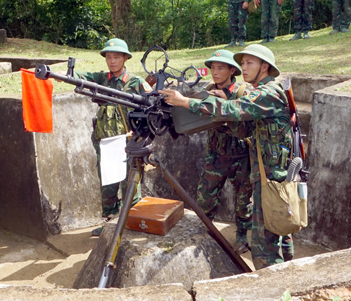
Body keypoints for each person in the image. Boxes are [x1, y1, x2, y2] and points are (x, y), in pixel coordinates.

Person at [161, 44, 294, 269]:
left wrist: (186, 102)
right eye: (242, 63)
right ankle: (287, 270)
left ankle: (273, 287)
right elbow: (244, 129)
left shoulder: (269, 92)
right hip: (266, 173)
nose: (244, 67)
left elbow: (234, 109)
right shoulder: (262, 92)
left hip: (271, 177)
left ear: (265, 66)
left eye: (249, 63)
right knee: (277, 228)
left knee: (264, 241)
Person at [74, 38, 150, 234]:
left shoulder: (136, 82)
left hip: (128, 142)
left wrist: (141, 133)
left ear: (125, 58)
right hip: (106, 143)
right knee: (107, 184)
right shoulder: (101, 79)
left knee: (130, 185)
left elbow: (151, 109)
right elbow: (78, 76)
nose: (112, 61)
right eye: (108, 57)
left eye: (116, 57)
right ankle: (110, 222)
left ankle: (131, 222)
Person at [196, 50, 253, 253]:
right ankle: (205, 230)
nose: (215, 72)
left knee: (244, 200)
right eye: (212, 67)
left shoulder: (243, 91)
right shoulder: (209, 88)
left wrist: (224, 103)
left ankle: (241, 237)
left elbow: (247, 125)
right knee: (206, 196)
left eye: (220, 68)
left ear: (232, 70)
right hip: (216, 153)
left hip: (241, 155)